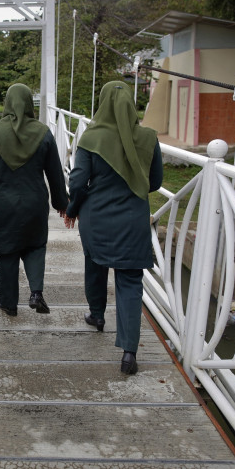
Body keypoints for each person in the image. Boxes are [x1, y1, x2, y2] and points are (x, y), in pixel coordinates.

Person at [64, 81, 163, 375]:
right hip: (133, 221)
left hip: (96, 220)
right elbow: (154, 182)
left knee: (95, 265)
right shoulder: (148, 137)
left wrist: (71, 210)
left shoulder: (91, 137)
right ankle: (129, 353)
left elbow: (78, 182)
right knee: (130, 282)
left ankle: (96, 315)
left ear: (103, 102)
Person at [0, 83, 68, 317]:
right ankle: (36, 293)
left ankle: (8, 304)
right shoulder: (44, 133)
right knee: (35, 246)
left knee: (6, 252)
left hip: (3, 206)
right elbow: (55, 173)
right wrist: (62, 203)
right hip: (34, 203)